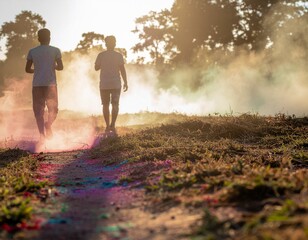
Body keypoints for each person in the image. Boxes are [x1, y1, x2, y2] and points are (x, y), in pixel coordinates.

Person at [25, 28, 63, 141]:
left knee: (38, 111)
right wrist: (52, 66)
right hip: (51, 85)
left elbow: (27, 69)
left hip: (37, 85)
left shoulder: (32, 51)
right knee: (54, 110)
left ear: (38, 38)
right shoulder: (55, 50)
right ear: (49, 38)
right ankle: (48, 125)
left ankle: (42, 135)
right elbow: (61, 67)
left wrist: (37, 70)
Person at [95, 35, 128, 134]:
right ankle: (112, 125)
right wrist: (126, 81)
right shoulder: (118, 56)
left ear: (106, 44)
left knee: (105, 105)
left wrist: (102, 64)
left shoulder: (101, 55)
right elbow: (122, 70)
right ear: (114, 43)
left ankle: (107, 126)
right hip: (116, 84)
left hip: (104, 84)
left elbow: (96, 68)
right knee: (115, 104)